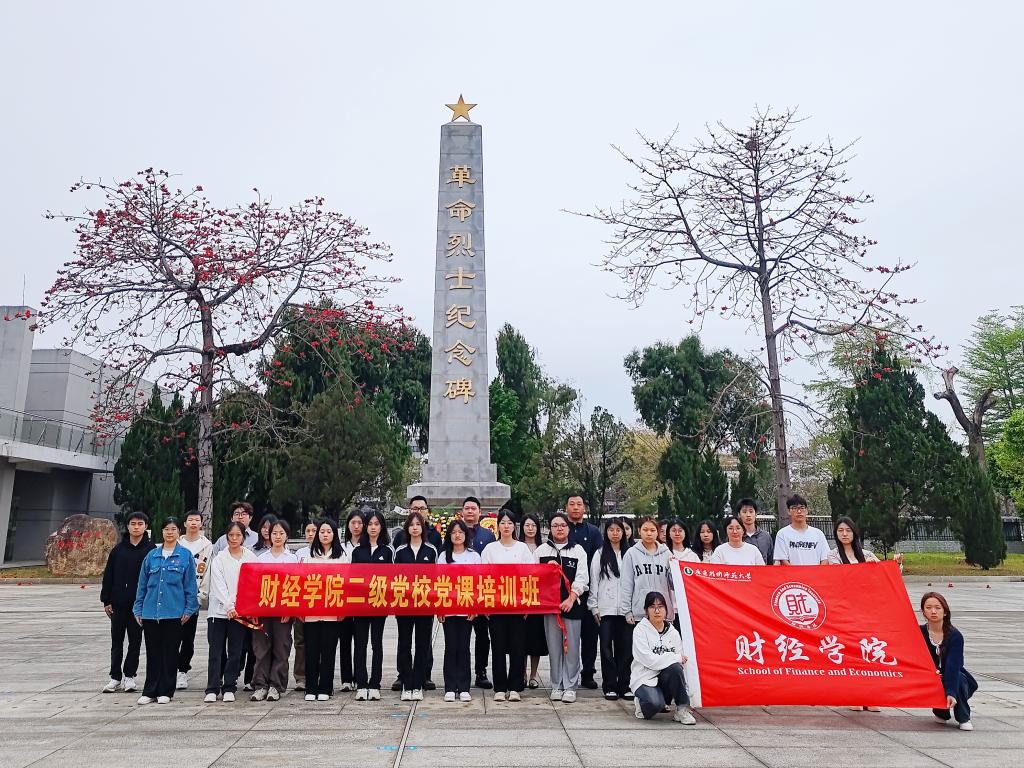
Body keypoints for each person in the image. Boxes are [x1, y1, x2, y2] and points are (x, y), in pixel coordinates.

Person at [133, 517, 198, 705]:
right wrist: (138, 608)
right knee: (152, 652)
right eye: (166, 529)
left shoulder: (185, 556)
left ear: (179, 532)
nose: (170, 533)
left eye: (173, 529)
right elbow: (142, 585)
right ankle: (150, 690)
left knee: (170, 652)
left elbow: (190, 586)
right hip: (151, 612)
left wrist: (189, 609)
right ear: (162, 532)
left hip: (174, 612)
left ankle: (166, 691)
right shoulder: (151, 556)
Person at [535, 511, 589, 703]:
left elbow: (582, 578)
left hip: (572, 606)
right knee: (554, 647)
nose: (559, 528)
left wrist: (571, 598)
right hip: (550, 607)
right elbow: (533, 578)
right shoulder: (541, 551)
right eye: (555, 525)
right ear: (550, 528)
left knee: (571, 647)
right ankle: (556, 685)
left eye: (563, 525)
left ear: (568, 528)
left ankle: (570, 686)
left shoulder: (578, 551)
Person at [100, 510, 155, 694]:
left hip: (139, 605)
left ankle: (129, 676)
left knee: (135, 641)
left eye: (140, 524)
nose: (136, 527)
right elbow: (109, 576)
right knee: (117, 641)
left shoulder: (151, 551)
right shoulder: (118, 550)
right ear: (128, 526)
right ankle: (115, 677)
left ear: (146, 527)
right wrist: (106, 600)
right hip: (118, 603)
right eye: (133, 524)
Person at [481, 509, 533, 702]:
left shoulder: (522, 549)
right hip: (496, 605)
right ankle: (500, 687)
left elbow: (530, 577)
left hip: (517, 605)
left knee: (518, 647)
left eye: (509, 523)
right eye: (502, 523)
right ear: (497, 526)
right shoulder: (490, 549)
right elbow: (483, 578)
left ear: (514, 526)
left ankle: (515, 687)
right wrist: (486, 604)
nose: (506, 526)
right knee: (498, 647)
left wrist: (527, 604)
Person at [390, 497, 439, 692]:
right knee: (404, 641)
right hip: (404, 603)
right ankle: (404, 677)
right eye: (412, 524)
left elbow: (437, 576)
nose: (415, 528)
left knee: (423, 642)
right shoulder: (400, 549)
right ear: (407, 527)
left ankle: (421, 678)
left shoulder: (432, 549)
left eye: (418, 524)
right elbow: (393, 576)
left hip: (425, 603)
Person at [205, 521, 258, 702]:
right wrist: (229, 606)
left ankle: (229, 686)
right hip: (218, 612)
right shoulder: (219, 558)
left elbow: (252, 583)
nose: (234, 538)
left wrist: (237, 606)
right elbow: (218, 585)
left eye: (238, 535)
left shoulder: (250, 557)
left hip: (240, 612)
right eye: (231, 535)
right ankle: (212, 688)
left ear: (243, 537)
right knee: (216, 651)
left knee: (236, 651)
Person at [630, 591, 696, 725]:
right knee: (654, 705)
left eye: (660, 607)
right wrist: (674, 657)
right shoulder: (640, 630)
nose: (657, 611)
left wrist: (690, 696)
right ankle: (642, 702)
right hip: (645, 678)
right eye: (652, 607)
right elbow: (649, 660)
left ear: (666, 610)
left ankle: (682, 710)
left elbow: (681, 664)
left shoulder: (673, 632)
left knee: (676, 668)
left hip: (665, 678)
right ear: (646, 611)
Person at [250, 520, 296, 701]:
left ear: (287, 536)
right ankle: (260, 685)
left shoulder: (292, 559)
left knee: (281, 648)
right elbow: (254, 587)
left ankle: (276, 686)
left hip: (283, 612)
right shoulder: (261, 558)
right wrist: (254, 610)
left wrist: (290, 609)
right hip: (263, 610)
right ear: (269, 535)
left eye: (281, 533)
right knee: (261, 648)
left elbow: (295, 587)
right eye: (274, 533)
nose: (277, 536)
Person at [588, 517, 632, 701]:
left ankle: (625, 685)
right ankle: (610, 685)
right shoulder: (600, 553)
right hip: (605, 609)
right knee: (606, 648)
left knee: (626, 649)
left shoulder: (630, 553)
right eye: (611, 530)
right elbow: (594, 581)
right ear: (606, 532)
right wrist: (594, 606)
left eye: (618, 530)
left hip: (626, 610)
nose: (615, 533)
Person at [351, 510, 393, 701]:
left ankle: (375, 683)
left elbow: (391, 579)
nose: (373, 527)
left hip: (379, 604)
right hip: (360, 605)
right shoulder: (358, 551)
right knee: (360, 644)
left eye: (377, 524)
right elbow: (352, 578)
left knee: (377, 644)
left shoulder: (387, 551)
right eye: (370, 524)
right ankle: (361, 683)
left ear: (381, 527)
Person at [437, 519, 480, 702]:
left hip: (467, 608)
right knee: (450, 647)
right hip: (448, 609)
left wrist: (475, 607)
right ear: (449, 535)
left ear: (465, 535)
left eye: (460, 532)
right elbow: (438, 583)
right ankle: (449, 686)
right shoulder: (443, 556)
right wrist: (440, 608)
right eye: (454, 532)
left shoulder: (473, 556)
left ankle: (463, 687)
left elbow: (478, 584)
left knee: (463, 647)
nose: (457, 535)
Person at [303, 518, 346, 702]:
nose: (325, 535)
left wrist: (342, 609)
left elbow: (346, 584)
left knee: (328, 651)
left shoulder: (341, 556)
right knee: (311, 651)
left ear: (334, 534)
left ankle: (326, 688)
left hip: (331, 612)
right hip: (311, 612)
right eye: (322, 532)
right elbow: (302, 582)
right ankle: (310, 687)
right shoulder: (309, 555)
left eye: (329, 532)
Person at [921, 591, 977, 730]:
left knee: (957, 679)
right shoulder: (919, 632)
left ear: (945, 612)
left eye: (938, 607)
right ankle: (941, 711)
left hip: (955, 676)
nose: (933, 611)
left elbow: (954, 666)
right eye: (928, 608)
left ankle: (963, 717)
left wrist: (951, 692)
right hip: (929, 676)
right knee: (936, 678)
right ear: (923, 612)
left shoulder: (955, 636)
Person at [565, 494, 601, 690]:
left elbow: (598, 562)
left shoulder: (593, 532)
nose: (575, 507)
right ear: (566, 508)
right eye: (572, 504)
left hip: (588, 591)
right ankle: (567, 673)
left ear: (584, 508)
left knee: (589, 636)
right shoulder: (562, 529)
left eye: (579, 504)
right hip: (566, 593)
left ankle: (588, 673)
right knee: (568, 636)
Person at [461, 496, 496, 689]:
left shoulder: (488, 535)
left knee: (483, 635)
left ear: (480, 512)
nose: (470, 511)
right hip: (461, 593)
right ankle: (462, 672)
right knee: (461, 635)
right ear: (461, 511)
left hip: (483, 592)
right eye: (467, 508)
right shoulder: (455, 532)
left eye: (473, 508)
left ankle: (481, 672)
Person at [176, 509, 212, 691]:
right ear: (185, 523)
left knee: (188, 638)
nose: (193, 523)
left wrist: (201, 596)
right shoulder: (176, 543)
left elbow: (207, 572)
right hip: (174, 598)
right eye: (190, 520)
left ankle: (182, 670)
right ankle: (170, 668)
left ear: (201, 523)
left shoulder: (207, 546)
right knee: (171, 636)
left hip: (193, 598)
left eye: (197, 520)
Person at [620, 517, 676, 630]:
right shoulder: (631, 554)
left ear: (658, 532)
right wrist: (627, 611)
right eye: (645, 530)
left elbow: (673, 585)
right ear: (639, 531)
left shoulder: (667, 553)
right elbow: (626, 584)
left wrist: (674, 568)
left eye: (652, 530)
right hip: (640, 613)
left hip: (662, 612)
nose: (649, 533)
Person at [519, 512, 547, 689]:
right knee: (520, 638)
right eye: (527, 525)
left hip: (538, 600)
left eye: (533, 525)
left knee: (536, 638)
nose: (530, 529)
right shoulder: (516, 546)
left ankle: (534, 675)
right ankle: (521, 673)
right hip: (520, 599)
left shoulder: (544, 548)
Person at [339, 509, 364, 692]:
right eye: (353, 523)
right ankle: (347, 678)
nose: (356, 526)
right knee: (345, 639)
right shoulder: (341, 547)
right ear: (348, 525)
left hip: (363, 599)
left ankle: (360, 675)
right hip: (344, 598)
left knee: (361, 640)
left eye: (359, 523)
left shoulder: (368, 546)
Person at [292, 521, 317, 691]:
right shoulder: (299, 554)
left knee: (317, 641)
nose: (311, 534)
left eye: (314, 530)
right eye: (308, 530)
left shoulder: (325, 552)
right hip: (301, 602)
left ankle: (316, 673)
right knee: (300, 641)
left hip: (318, 601)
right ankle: (300, 676)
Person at [773, 494, 829, 565]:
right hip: (791, 572)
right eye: (794, 508)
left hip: (816, 572)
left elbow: (825, 558)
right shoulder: (782, 534)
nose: (799, 511)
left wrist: (817, 572)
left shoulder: (818, 534)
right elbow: (783, 560)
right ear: (789, 511)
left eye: (802, 508)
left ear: (807, 510)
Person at [737, 498, 773, 565]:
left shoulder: (765, 536)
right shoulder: (735, 536)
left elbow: (770, 560)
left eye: (751, 511)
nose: (748, 515)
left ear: (756, 513)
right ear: (739, 514)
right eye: (744, 512)